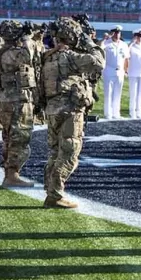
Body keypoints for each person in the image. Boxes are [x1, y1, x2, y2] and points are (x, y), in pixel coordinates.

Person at [39, 17, 105, 209]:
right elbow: (98, 63)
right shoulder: (70, 56)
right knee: (69, 152)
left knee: (54, 152)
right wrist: (90, 43)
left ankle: (50, 189)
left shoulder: (49, 57)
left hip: (52, 109)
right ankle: (56, 194)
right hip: (70, 109)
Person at [0, 21, 39, 187]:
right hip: (16, 101)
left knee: (9, 137)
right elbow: (28, 56)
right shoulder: (11, 53)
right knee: (19, 137)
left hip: (8, 101)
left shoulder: (2, 52)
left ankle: (9, 174)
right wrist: (27, 38)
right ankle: (12, 174)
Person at [102, 26, 129, 120]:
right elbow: (99, 47)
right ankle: (108, 113)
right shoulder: (106, 43)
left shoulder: (123, 44)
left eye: (118, 33)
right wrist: (104, 38)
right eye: (115, 33)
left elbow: (126, 59)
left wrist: (126, 70)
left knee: (118, 93)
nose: (117, 35)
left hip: (120, 70)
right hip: (109, 69)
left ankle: (116, 113)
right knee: (108, 92)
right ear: (111, 33)